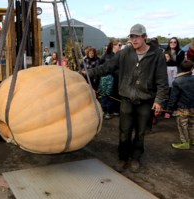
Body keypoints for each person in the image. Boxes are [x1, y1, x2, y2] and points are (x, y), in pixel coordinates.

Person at [82, 24, 168, 173]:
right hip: (127, 98)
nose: (134, 39)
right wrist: (86, 73)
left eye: (137, 36)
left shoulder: (157, 55)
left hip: (145, 100)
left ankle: (135, 158)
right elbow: (106, 67)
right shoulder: (125, 53)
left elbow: (162, 80)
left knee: (140, 132)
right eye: (132, 36)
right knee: (124, 130)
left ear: (144, 37)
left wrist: (159, 100)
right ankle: (123, 157)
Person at [166, 60, 194, 150]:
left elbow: (173, 97)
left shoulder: (177, 81)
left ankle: (185, 142)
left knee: (182, 125)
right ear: (192, 68)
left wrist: (169, 109)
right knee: (192, 124)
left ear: (180, 68)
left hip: (182, 107)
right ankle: (192, 140)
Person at [99, 40, 122, 119]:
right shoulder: (107, 55)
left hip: (118, 78)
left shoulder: (121, 55)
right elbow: (100, 64)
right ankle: (105, 111)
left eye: (121, 45)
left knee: (115, 95)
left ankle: (113, 110)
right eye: (119, 45)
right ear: (114, 46)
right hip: (108, 79)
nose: (120, 46)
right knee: (106, 95)